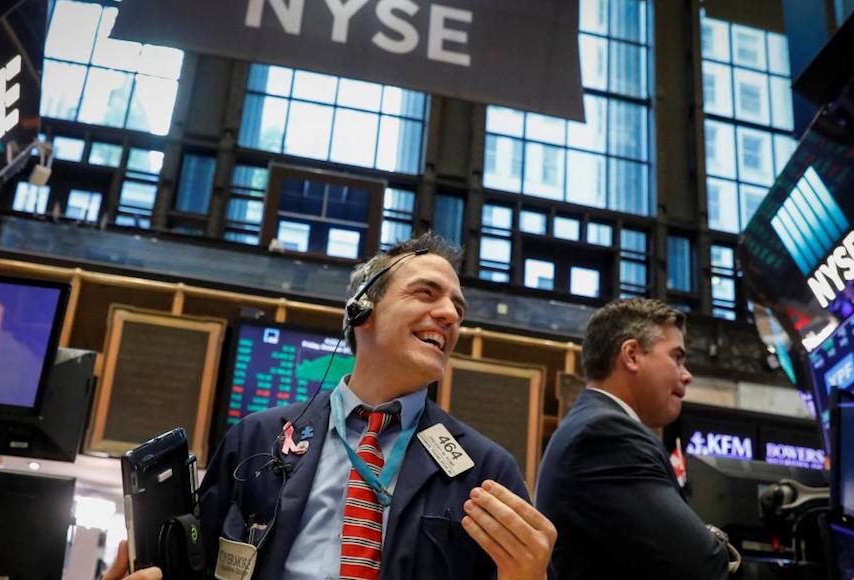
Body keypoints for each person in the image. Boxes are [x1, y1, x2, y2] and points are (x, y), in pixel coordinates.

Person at [198, 232, 555, 579]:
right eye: (425, 293)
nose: (450, 314)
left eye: (458, 308)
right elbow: (193, 562)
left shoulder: (486, 470)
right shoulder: (256, 438)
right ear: (361, 311)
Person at [535, 298, 735, 579]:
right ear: (631, 355)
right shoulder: (607, 435)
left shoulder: (594, 426)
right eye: (676, 357)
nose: (687, 375)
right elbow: (701, 566)